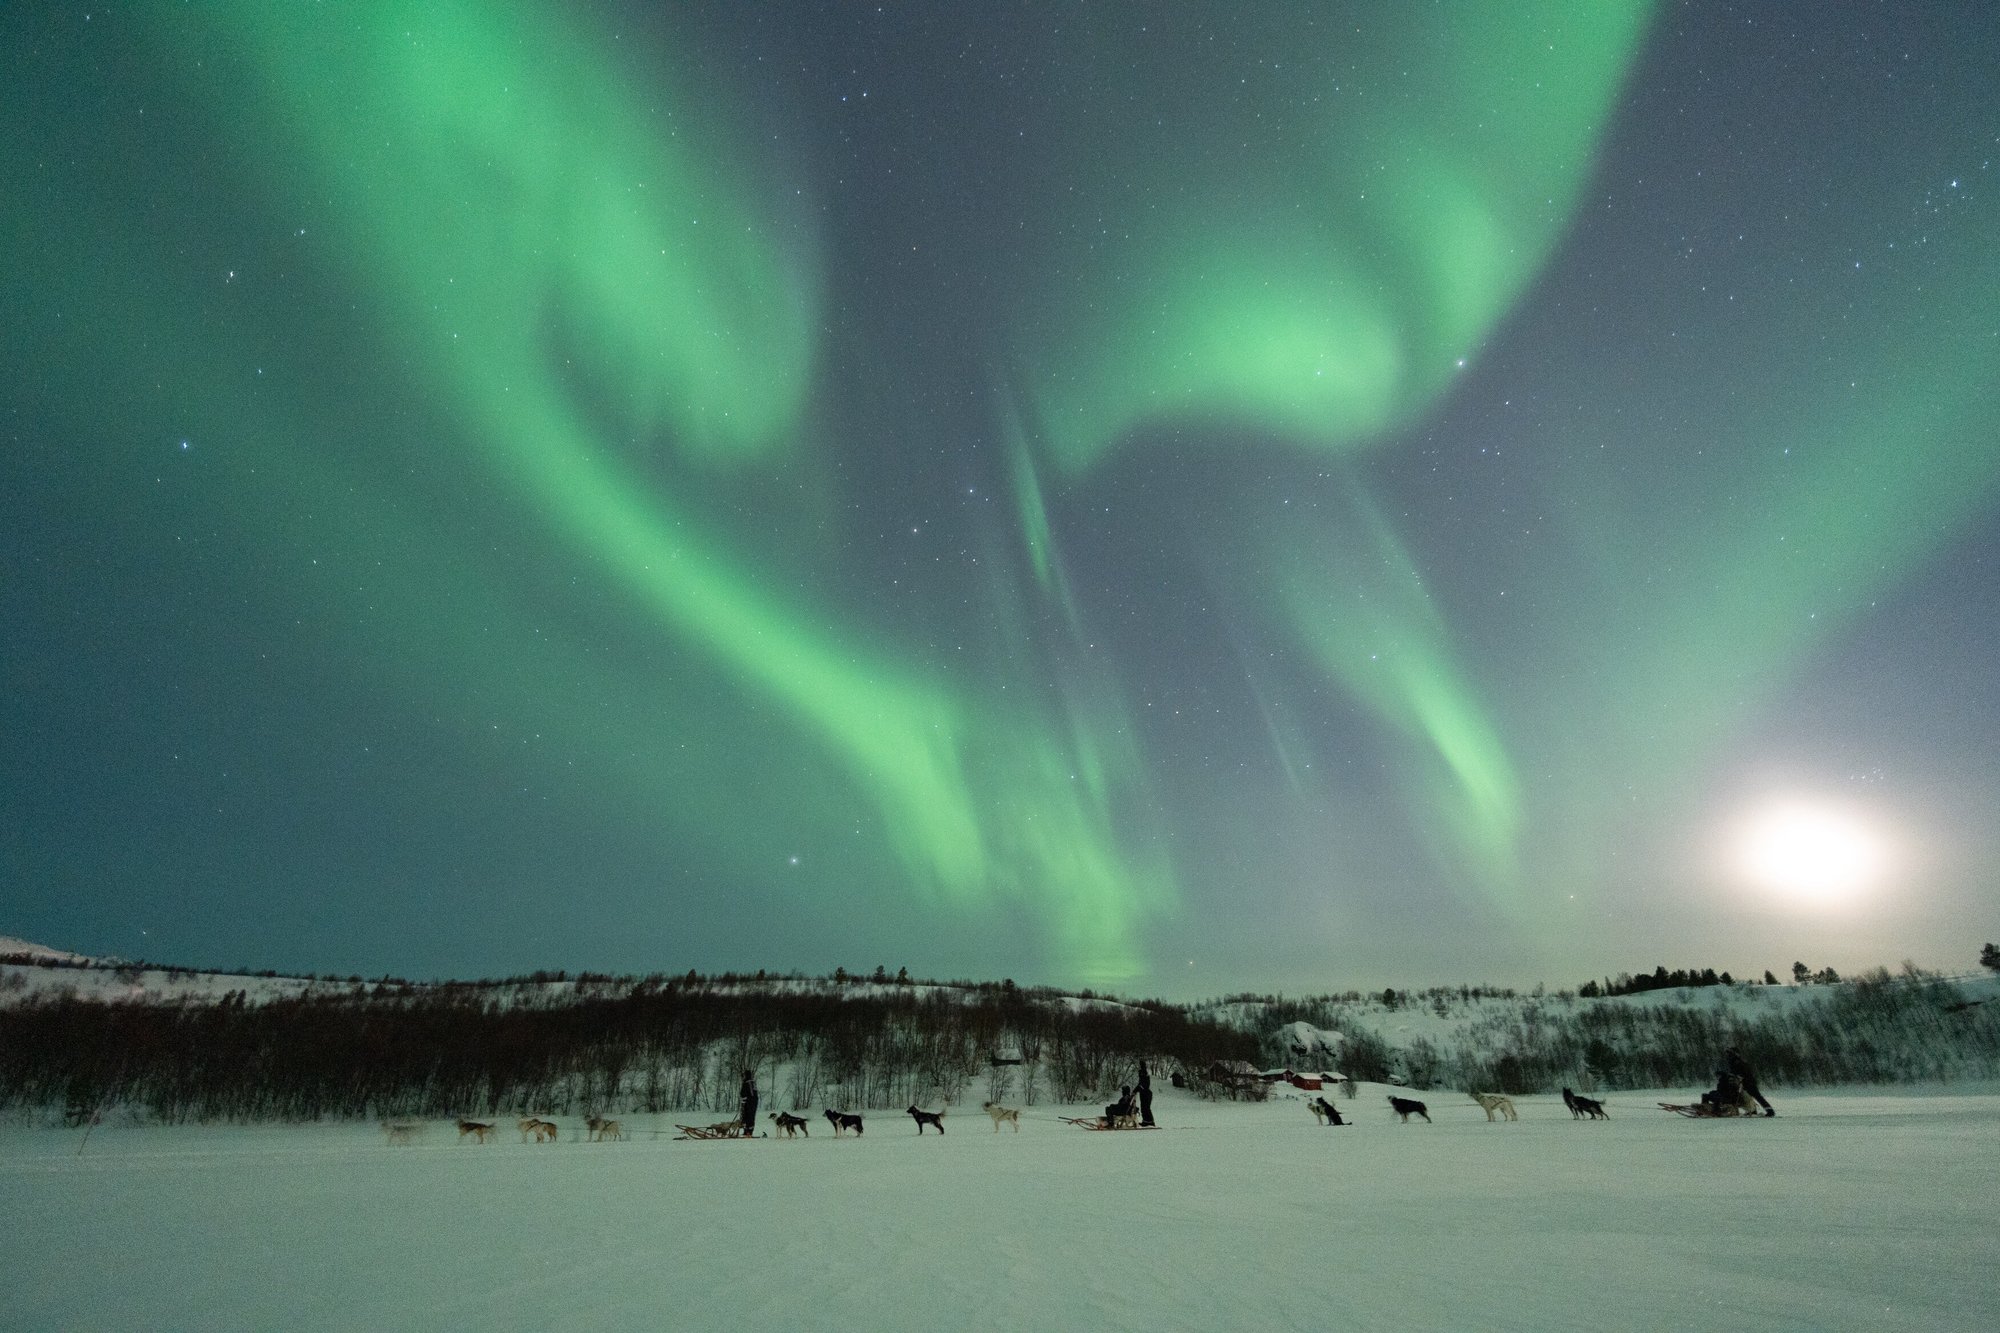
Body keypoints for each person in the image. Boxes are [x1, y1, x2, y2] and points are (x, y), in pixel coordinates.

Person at [1725, 1047, 1775, 1116]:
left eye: (1729, 1054)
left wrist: (1738, 1076)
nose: (1728, 1056)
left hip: (1748, 1082)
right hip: (1745, 1082)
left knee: (1756, 1096)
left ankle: (1770, 1111)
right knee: (1748, 1097)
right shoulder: (1734, 1062)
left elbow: (1744, 1072)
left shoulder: (1738, 1062)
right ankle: (1753, 1110)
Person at [738, 1069, 759, 1137]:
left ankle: (746, 1131)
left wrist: (743, 1101)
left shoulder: (746, 1083)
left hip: (748, 1102)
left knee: (746, 1116)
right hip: (754, 1102)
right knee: (752, 1116)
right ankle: (750, 1131)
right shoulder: (753, 1083)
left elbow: (743, 1093)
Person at [1135, 1059, 1155, 1127]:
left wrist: (1136, 1090)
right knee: (1143, 1108)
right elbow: (1140, 1084)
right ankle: (1146, 1121)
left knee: (1146, 1107)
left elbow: (1143, 1085)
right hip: (1143, 1093)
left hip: (1146, 1093)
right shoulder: (1143, 1073)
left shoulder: (1144, 1074)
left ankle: (1150, 1121)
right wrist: (1135, 1090)